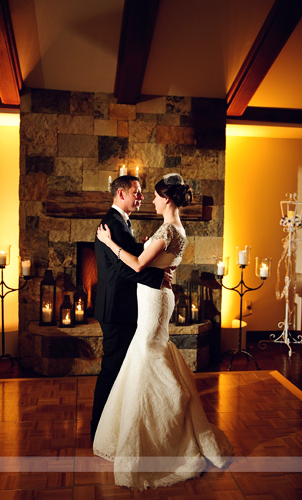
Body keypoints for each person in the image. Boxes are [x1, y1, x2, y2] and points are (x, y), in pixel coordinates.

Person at [93, 174, 232, 490]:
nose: (151, 201)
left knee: (147, 359)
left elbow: (140, 265)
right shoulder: (177, 230)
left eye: (155, 196)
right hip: (158, 298)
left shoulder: (167, 229)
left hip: (153, 301)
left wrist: (110, 243)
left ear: (167, 199)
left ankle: (158, 438)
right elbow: (159, 263)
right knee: (150, 356)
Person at [91, 175, 169, 441]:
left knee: (120, 368)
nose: (142, 197)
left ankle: (112, 427)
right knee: (112, 369)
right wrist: (160, 278)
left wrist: (142, 246)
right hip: (116, 310)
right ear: (121, 194)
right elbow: (123, 270)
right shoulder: (111, 223)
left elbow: (126, 253)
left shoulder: (120, 222)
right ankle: (99, 431)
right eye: (136, 192)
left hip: (120, 307)